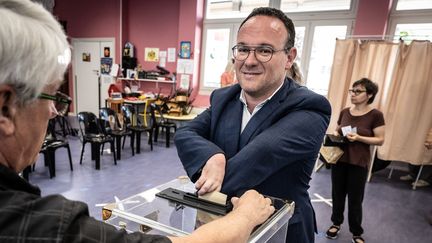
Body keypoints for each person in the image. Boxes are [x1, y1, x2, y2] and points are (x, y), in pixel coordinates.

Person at [0, 1, 275, 243]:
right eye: (51, 97)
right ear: (6, 108)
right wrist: (246, 215)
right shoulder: (43, 226)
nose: (54, 111)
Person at [175, 7, 331, 243]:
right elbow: (186, 132)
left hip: (280, 229)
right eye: (243, 49)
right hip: (219, 223)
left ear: (289, 57)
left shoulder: (310, 107)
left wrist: (206, 176)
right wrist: (213, 156)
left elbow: (258, 157)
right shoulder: (223, 98)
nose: (249, 60)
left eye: (264, 50)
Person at [325, 78, 385, 243]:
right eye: (352, 90)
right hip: (339, 160)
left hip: (359, 163)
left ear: (369, 94)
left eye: (358, 91)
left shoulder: (376, 115)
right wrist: (336, 135)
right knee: (337, 195)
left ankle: (356, 231)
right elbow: (338, 130)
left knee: (355, 199)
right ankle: (336, 223)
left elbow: (380, 140)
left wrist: (358, 137)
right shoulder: (345, 111)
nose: (353, 94)